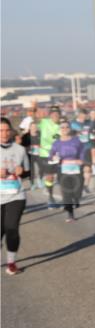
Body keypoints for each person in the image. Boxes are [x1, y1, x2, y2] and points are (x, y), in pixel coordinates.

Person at [1, 117, 28, 275]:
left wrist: (22, 172)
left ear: (11, 131)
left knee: (11, 228)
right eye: (0, 131)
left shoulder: (20, 149)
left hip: (15, 195)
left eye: (6, 130)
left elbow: (28, 172)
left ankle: (11, 263)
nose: (4, 134)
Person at [48, 119, 86, 222]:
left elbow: (82, 151)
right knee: (66, 192)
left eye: (67, 127)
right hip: (62, 170)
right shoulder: (56, 143)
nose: (64, 129)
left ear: (70, 128)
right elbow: (50, 155)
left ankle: (76, 199)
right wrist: (54, 158)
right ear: (59, 129)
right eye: (62, 127)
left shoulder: (76, 140)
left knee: (77, 191)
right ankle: (70, 214)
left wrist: (81, 160)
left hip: (76, 169)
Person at [36, 106, 62, 208]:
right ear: (50, 115)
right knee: (50, 177)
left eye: (57, 114)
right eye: (53, 114)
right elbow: (35, 120)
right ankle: (51, 197)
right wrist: (35, 109)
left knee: (63, 177)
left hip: (59, 155)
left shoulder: (62, 126)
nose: (55, 116)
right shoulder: (44, 122)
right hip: (46, 154)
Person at [70, 111, 94, 193]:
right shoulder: (73, 124)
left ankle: (86, 185)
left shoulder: (89, 123)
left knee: (88, 168)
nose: (84, 117)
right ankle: (76, 184)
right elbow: (68, 134)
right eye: (82, 115)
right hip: (76, 149)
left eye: (85, 115)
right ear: (79, 115)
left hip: (87, 147)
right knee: (78, 169)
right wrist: (75, 134)